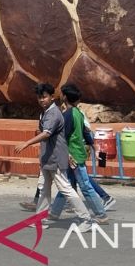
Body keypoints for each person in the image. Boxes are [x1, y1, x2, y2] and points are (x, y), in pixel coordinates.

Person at [12, 82, 98, 232]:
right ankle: (41, 219)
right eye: (39, 98)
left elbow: (46, 133)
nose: (41, 100)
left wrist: (26, 143)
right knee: (44, 189)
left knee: (66, 189)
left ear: (52, 97)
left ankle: (86, 218)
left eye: (44, 97)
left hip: (56, 158)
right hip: (47, 158)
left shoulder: (54, 113)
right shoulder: (45, 112)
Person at [48, 84, 108, 221]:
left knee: (85, 186)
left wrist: (67, 155)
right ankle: (55, 212)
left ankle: (101, 214)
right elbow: (86, 133)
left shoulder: (67, 116)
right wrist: (94, 147)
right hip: (76, 155)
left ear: (65, 97)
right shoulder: (78, 114)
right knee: (66, 185)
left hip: (73, 157)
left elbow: (63, 137)